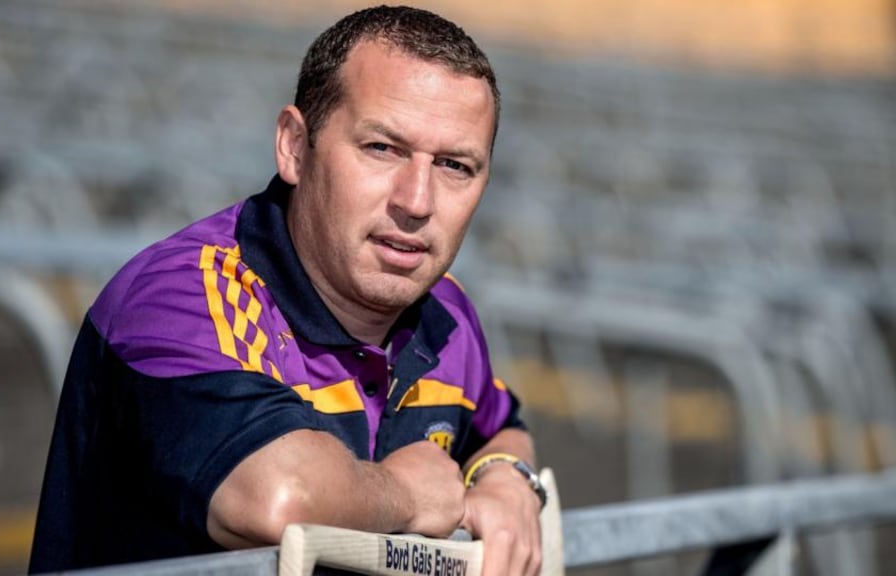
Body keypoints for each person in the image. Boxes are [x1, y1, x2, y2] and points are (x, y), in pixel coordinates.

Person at [29, 6, 545, 575]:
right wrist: (407, 492)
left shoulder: (446, 313)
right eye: (382, 148)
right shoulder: (180, 297)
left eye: (454, 165)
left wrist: (505, 479)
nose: (417, 201)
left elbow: (500, 428)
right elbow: (281, 498)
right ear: (294, 147)